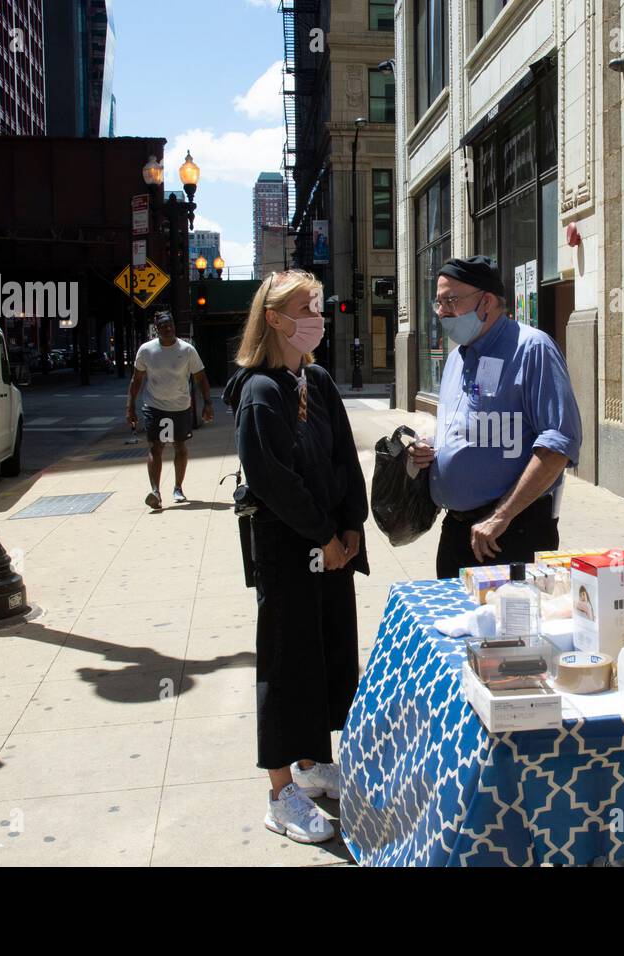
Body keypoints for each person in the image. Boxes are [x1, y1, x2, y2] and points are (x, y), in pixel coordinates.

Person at [226, 269, 369, 844]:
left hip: (331, 549)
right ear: (274, 319)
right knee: (286, 668)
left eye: (317, 304)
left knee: (327, 656)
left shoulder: (317, 380)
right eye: (303, 307)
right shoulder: (260, 392)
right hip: (290, 554)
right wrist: (322, 536)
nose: (315, 314)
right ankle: (280, 790)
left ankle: (312, 765)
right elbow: (275, 481)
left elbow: (342, 456)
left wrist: (351, 524)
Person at [409, 256, 582, 579]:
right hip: (458, 529)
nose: (441, 311)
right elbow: (467, 428)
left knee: (508, 628)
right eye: (438, 302)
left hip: (509, 532)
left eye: (450, 301)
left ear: (486, 302)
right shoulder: (455, 358)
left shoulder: (532, 349)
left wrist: (501, 517)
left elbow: (559, 443)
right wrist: (430, 447)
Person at [126, 311, 213, 510]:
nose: (167, 329)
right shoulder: (146, 350)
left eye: (170, 325)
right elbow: (136, 379)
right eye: (163, 326)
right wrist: (130, 406)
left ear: (174, 326)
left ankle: (178, 487)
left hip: (180, 407)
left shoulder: (187, 350)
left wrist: (208, 403)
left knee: (179, 446)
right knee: (156, 447)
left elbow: (200, 377)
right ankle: (155, 492)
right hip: (154, 406)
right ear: (156, 328)